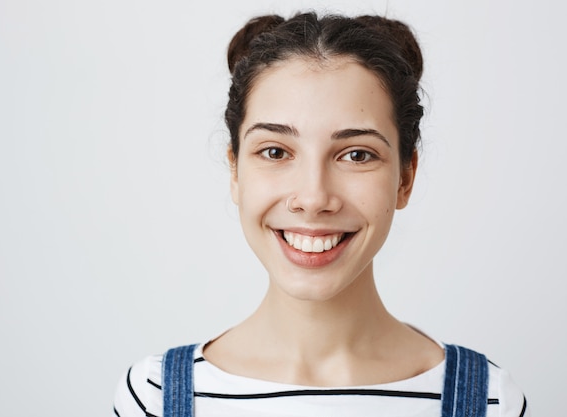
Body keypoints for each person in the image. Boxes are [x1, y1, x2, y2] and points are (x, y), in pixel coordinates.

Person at [113, 11, 527, 417]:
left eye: (356, 154)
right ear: (235, 170)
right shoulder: (155, 396)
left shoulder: (490, 402)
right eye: (275, 152)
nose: (313, 197)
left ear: (405, 177)